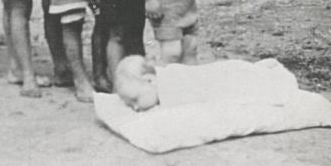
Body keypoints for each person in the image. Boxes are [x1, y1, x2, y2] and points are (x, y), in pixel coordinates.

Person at [114, 55, 298, 112]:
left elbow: (177, 109)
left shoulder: (170, 84)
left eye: (135, 100)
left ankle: (273, 77)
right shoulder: (160, 81)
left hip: (223, 79)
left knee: (249, 85)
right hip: (220, 76)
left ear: (150, 80)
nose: (136, 108)